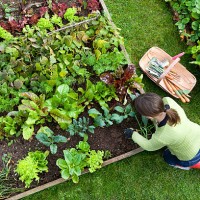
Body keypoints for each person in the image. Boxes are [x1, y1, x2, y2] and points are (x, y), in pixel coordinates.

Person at [124, 92, 200, 170]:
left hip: (189, 156)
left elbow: (148, 146)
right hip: (197, 135)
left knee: (167, 156)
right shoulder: (168, 100)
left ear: (149, 117)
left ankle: (189, 165)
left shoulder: (162, 135)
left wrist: (132, 134)